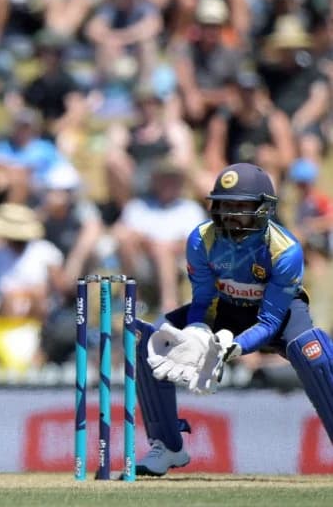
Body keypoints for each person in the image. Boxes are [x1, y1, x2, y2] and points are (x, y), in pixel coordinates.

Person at [131, 162, 333, 476]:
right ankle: (167, 446)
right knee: (150, 339)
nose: (230, 214)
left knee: (313, 352)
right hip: (224, 309)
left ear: (263, 209)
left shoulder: (285, 250)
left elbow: (270, 322)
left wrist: (231, 349)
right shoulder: (201, 239)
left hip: (278, 316)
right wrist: (197, 332)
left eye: (241, 207)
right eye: (224, 205)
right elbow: (203, 300)